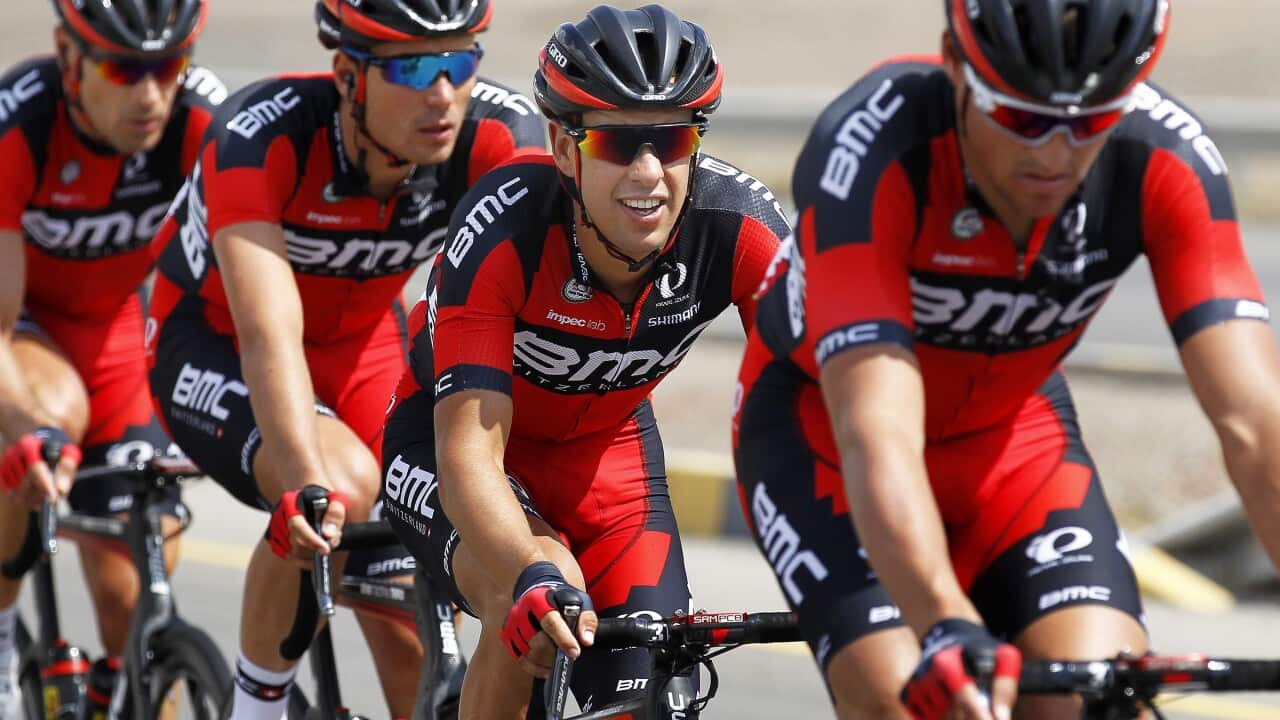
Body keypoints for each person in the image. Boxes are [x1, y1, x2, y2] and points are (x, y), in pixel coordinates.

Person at [734, 0, 1280, 718]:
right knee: (908, 698)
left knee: (1092, 699)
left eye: (1091, 123)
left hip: (1014, 443)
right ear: (955, 66)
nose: (1054, 156)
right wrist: (942, 621)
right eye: (1021, 120)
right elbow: (877, 431)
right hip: (825, 441)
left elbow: (1256, 423)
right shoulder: (874, 146)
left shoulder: (1165, 157)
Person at [378, 4, 790, 717]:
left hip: (610, 465)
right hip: (455, 451)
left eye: (673, 139)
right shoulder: (505, 226)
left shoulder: (741, 227)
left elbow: (823, 401)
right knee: (535, 598)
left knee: (651, 689)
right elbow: (470, 451)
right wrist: (528, 572)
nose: (649, 172)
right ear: (565, 150)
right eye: (617, 144)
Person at [145, 0, 544, 717]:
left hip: (363, 347)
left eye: (459, 63)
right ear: (347, 75)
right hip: (216, 342)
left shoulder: (498, 136)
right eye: (413, 69)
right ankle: (257, 706)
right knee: (334, 489)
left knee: (415, 646)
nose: (442, 94)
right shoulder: (260, 133)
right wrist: (303, 479)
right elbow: (267, 333)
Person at [0, 0, 221, 715]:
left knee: (131, 606)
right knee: (48, 420)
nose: (150, 94)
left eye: (167, 67)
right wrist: (24, 427)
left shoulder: (201, 119)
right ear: (70, 58)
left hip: (120, 336)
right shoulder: (19, 124)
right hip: (23, 330)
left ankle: (127, 690)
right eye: (125, 70)